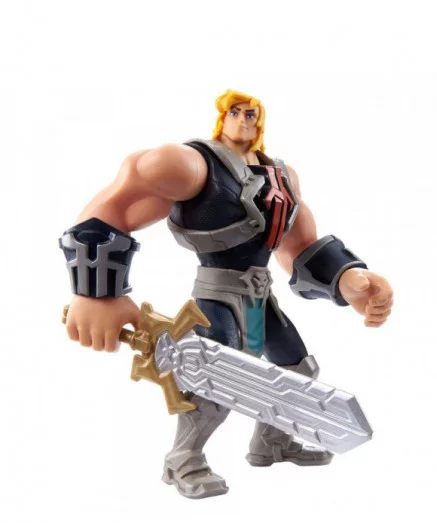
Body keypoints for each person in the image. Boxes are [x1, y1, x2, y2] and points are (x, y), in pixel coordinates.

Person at [60, 89, 393, 499]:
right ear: (222, 117)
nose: (243, 120)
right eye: (235, 113)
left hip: (261, 296)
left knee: (297, 369)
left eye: (251, 114)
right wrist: (97, 293)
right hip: (217, 294)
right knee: (211, 380)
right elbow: (116, 205)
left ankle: (272, 442)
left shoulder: (282, 177)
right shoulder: (189, 164)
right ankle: (183, 458)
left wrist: (349, 281)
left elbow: (300, 247)